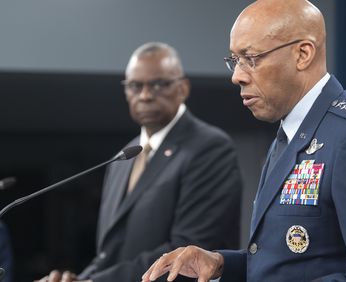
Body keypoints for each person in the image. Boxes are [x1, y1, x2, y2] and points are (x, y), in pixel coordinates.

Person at [141, 1, 346, 281]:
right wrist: (220, 264)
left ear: (303, 54)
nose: (237, 76)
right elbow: (285, 263)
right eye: (235, 61)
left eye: (250, 58)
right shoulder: (289, 134)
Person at [37, 42, 243, 282]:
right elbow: (110, 253)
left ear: (183, 88)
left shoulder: (210, 148)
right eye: (135, 86)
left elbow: (186, 251)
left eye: (159, 84)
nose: (145, 95)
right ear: (126, 91)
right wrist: (77, 279)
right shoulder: (123, 157)